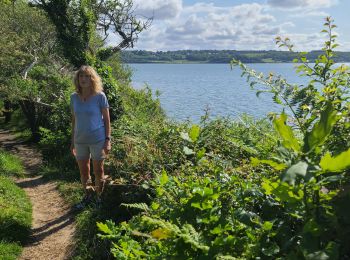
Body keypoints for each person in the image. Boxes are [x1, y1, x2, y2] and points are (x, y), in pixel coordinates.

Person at [70, 65, 111, 208]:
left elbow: (106, 120)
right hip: (79, 141)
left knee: (99, 171)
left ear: (92, 78)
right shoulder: (73, 97)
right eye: (81, 76)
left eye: (87, 76)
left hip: (98, 140)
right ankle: (87, 197)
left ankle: (99, 199)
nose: (83, 79)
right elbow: (74, 120)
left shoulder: (100, 96)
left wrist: (107, 140)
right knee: (84, 171)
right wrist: (72, 141)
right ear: (77, 79)